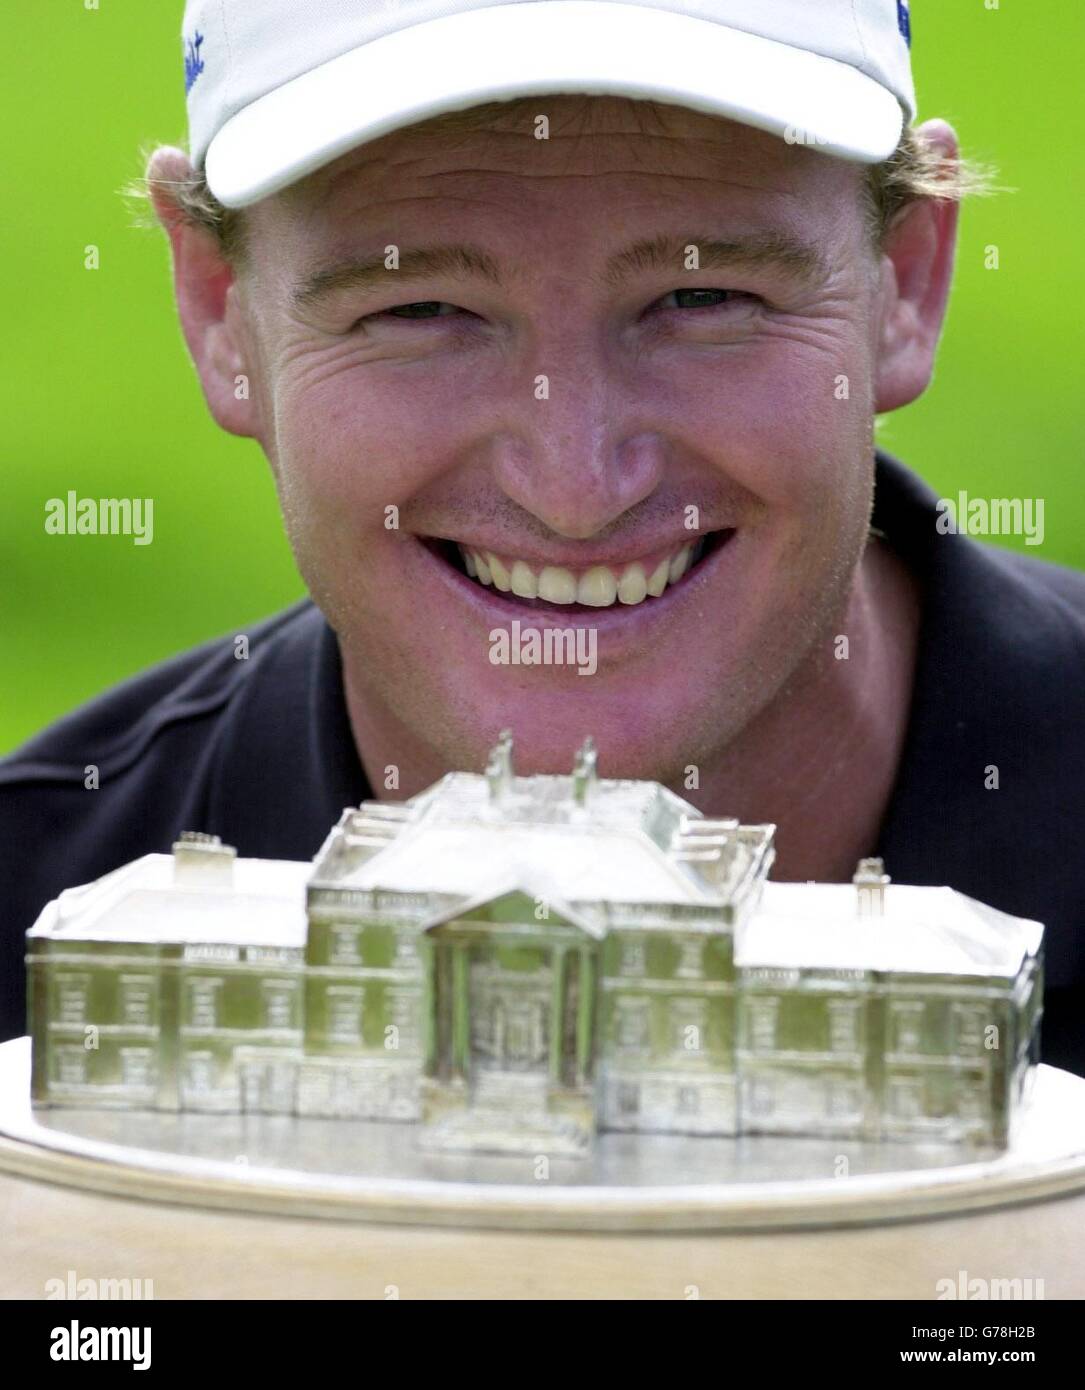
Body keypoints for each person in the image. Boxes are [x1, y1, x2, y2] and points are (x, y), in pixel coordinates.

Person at [3, 0, 1084, 1074]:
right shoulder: (25, 935)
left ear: (904, 279)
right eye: (419, 309)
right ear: (219, 310)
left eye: (701, 295)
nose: (575, 489)